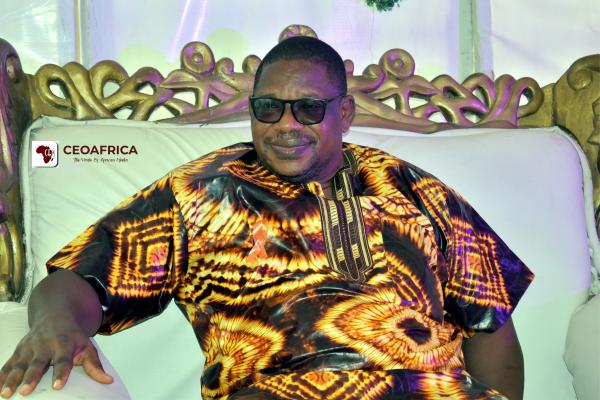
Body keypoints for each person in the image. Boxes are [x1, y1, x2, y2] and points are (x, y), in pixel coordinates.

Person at [0, 36, 533, 400]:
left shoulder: (416, 191)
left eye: (308, 108)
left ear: (344, 113)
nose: (285, 125)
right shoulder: (200, 192)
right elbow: (77, 278)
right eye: (268, 108)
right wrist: (55, 324)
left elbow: (491, 325)